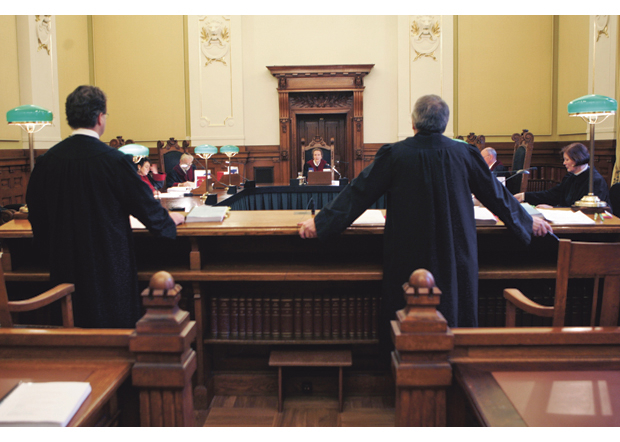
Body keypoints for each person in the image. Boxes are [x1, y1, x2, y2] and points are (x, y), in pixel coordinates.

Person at [298, 95, 552, 338]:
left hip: (409, 251)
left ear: (413, 123)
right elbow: (496, 194)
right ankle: (456, 360)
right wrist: (527, 221)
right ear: (445, 124)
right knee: (454, 309)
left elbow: (359, 193)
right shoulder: (465, 154)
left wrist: (321, 223)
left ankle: (404, 356)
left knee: (407, 310)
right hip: (455, 250)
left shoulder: (395, 154)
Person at [26, 85, 185, 328]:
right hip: (108, 265)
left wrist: (50, 247)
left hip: (63, 265)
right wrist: (168, 221)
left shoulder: (47, 161)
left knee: (70, 327)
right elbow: (144, 205)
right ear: (100, 118)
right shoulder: (114, 161)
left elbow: (36, 212)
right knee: (113, 328)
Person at [514, 143, 610, 208]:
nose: (564, 163)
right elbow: (552, 195)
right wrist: (524, 196)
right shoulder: (571, 177)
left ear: (577, 159)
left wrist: (554, 209)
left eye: (567, 160)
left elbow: (584, 210)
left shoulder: (595, 181)